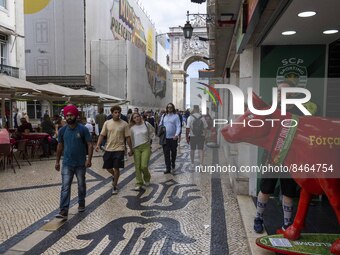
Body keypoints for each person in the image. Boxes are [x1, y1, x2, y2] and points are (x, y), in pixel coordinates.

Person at [253, 80, 317, 234]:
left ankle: (287, 224)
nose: (281, 94)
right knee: (266, 189)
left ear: (293, 94)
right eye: (279, 91)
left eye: (285, 92)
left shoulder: (300, 110)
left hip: (291, 158)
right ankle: (258, 218)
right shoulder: (270, 108)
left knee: (288, 192)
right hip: (272, 157)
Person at [55, 105, 93, 219]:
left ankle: (81, 202)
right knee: (65, 187)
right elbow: (60, 145)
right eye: (67, 115)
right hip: (67, 163)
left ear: (76, 116)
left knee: (81, 185)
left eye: (71, 115)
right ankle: (63, 210)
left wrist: (89, 159)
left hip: (80, 163)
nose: (69, 117)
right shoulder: (62, 130)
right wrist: (57, 161)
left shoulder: (83, 129)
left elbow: (90, 144)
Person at [95, 105, 133, 195]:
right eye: (115, 112)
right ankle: (114, 176)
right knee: (107, 167)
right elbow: (102, 135)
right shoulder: (107, 123)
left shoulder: (124, 124)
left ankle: (115, 185)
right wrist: (97, 145)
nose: (117, 114)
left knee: (116, 167)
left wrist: (130, 148)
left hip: (120, 148)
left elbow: (128, 137)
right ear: (112, 113)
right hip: (109, 148)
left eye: (119, 112)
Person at [129, 112, 155, 191]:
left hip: (146, 147)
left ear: (140, 117)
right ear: (133, 119)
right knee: (137, 166)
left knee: (143, 166)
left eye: (138, 116)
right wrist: (130, 149)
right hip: (136, 148)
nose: (137, 118)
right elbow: (130, 139)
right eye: (134, 117)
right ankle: (139, 183)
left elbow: (152, 131)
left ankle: (147, 178)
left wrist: (151, 140)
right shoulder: (132, 128)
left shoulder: (146, 124)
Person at [160, 103, 181, 174]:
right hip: (165, 138)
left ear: (173, 108)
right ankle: (167, 168)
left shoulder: (176, 116)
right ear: (167, 108)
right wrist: (161, 129)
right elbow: (160, 124)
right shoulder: (164, 116)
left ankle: (173, 163)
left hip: (173, 138)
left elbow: (178, 126)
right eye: (168, 107)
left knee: (173, 152)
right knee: (166, 153)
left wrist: (176, 135)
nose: (169, 109)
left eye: (171, 107)